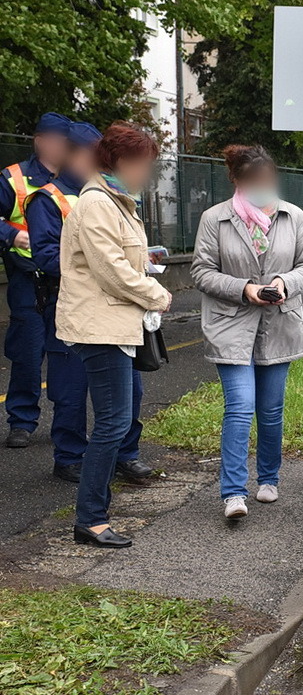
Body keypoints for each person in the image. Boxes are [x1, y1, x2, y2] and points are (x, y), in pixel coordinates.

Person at [57, 123, 172, 548]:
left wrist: (148, 265)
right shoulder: (98, 203)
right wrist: (156, 293)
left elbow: (121, 261)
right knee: (111, 423)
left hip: (113, 324)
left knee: (115, 420)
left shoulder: (116, 200)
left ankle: (94, 514)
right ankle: (90, 519)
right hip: (100, 326)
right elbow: (111, 271)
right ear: (121, 162)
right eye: (144, 163)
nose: (147, 172)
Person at [192, 145, 303, 520]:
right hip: (230, 324)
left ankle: (268, 479)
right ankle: (233, 492)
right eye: (253, 181)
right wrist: (244, 288)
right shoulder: (215, 219)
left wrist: (284, 282)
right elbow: (201, 272)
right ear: (236, 180)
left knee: (271, 410)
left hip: (279, 324)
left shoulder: (292, 216)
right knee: (240, 407)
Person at [27, 122, 155, 484]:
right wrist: (99, 271)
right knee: (70, 389)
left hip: (116, 308)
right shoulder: (48, 198)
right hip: (72, 304)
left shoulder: (115, 197)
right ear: (73, 155)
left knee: (129, 390)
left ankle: (124, 455)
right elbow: (49, 257)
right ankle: (69, 456)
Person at [0, 112, 71, 448]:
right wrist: (12, 236)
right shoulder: (13, 178)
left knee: (64, 356)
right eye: (58, 141)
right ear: (40, 141)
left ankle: (65, 421)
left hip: (63, 283)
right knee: (27, 354)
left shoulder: (75, 181)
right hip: (27, 281)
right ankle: (22, 421)